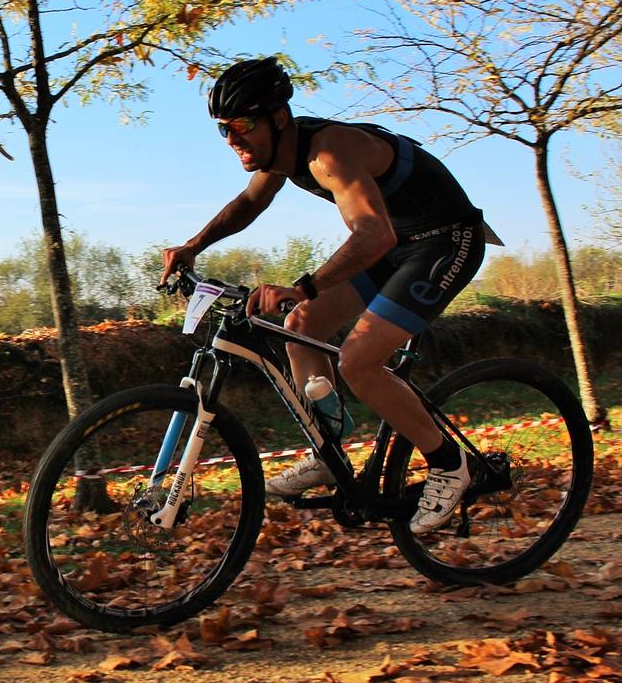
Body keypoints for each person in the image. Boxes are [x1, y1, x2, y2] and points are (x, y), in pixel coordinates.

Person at [160, 57, 494, 534]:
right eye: (223, 130)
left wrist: (302, 287)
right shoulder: (282, 153)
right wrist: (194, 246)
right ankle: (329, 449)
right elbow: (249, 202)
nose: (233, 139)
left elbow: (372, 234)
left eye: (243, 125)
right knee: (301, 326)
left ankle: (449, 464)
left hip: (444, 239)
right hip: (397, 241)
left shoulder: (327, 154)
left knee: (357, 361)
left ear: (278, 118)